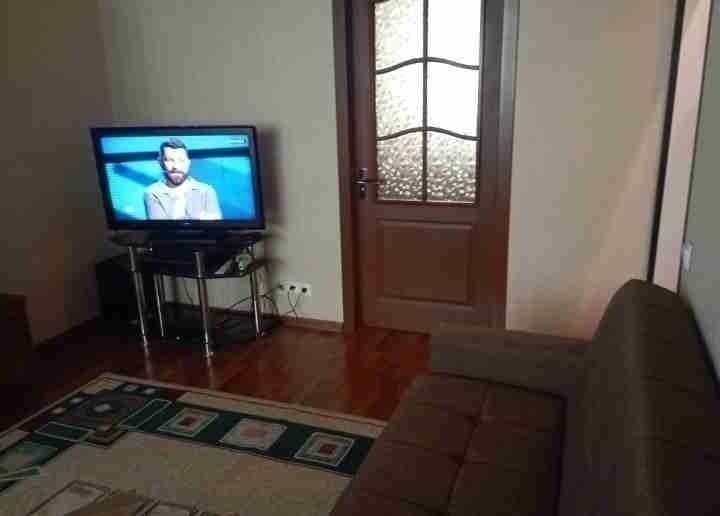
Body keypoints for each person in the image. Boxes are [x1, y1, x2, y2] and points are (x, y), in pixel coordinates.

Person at [144, 138, 222, 220]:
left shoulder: (207, 191)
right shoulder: (152, 192)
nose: (176, 166)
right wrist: (199, 218)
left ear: (188, 163)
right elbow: (160, 226)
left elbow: (215, 224)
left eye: (181, 160)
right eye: (170, 160)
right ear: (160, 162)